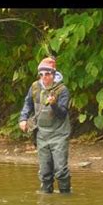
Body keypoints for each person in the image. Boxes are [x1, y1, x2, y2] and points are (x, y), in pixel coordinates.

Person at [19, 57, 71, 194]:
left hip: (59, 134)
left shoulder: (62, 90)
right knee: (45, 171)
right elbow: (27, 104)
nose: (44, 77)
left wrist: (53, 104)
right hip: (42, 134)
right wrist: (23, 119)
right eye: (41, 74)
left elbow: (62, 114)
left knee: (60, 170)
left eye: (47, 74)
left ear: (53, 74)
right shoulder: (35, 87)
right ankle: (46, 197)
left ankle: (65, 196)